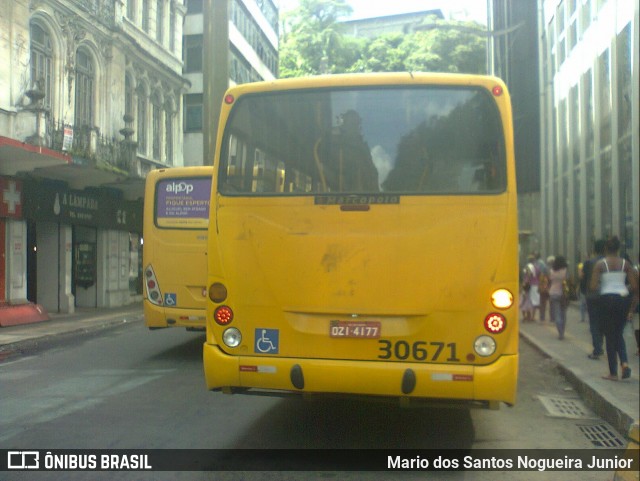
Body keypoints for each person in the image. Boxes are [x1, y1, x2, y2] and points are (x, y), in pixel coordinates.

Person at [589, 236, 639, 381]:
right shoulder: (626, 264)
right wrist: (622, 288)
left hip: (606, 300)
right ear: (618, 249)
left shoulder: (600, 264)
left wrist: (604, 286)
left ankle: (613, 372)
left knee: (610, 336)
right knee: (618, 333)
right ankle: (624, 363)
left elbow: (592, 287)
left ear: (605, 248)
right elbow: (635, 286)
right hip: (622, 299)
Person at [582, 239, 606, 359]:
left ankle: (597, 348)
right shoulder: (609, 262)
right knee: (603, 322)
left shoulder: (589, 262)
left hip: (592, 295)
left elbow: (584, 279)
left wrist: (583, 292)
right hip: (607, 295)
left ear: (594, 249)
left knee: (594, 322)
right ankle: (601, 345)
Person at [549, 255, 569, 339]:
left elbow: (550, 280)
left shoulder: (551, 271)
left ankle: (560, 333)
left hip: (553, 293)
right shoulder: (565, 271)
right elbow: (568, 280)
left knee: (557, 314)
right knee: (563, 314)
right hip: (564, 294)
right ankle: (562, 333)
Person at [523, 255, 541, 321]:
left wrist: (525, 283)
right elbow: (539, 275)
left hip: (529, 285)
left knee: (527, 300)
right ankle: (533, 317)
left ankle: (528, 316)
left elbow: (527, 276)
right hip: (536, 285)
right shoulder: (537, 267)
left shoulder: (527, 267)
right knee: (534, 301)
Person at [538, 255, 553, 322]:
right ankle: (552, 318)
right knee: (551, 304)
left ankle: (542, 317)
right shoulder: (555, 268)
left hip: (544, 287)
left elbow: (541, 277)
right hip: (551, 288)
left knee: (543, 303)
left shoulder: (544, 268)